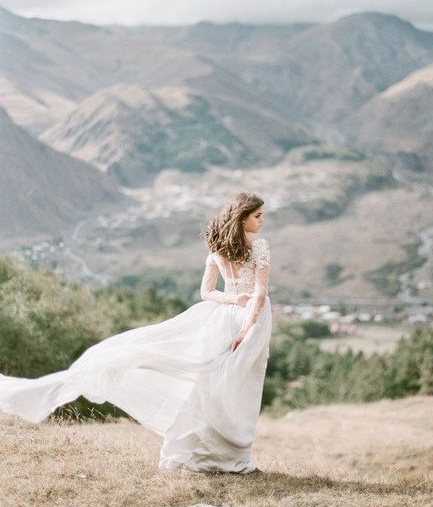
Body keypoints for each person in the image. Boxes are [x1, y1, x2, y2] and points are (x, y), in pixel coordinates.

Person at [0, 190, 272, 474]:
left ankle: (217, 453)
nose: (262, 221)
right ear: (242, 219)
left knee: (212, 384)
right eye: (257, 216)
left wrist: (231, 302)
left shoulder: (218, 249)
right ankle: (227, 455)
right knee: (239, 388)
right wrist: (247, 325)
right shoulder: (259, 247)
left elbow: (208, 293)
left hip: (224, 318)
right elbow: (260, 292)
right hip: (248, 319)